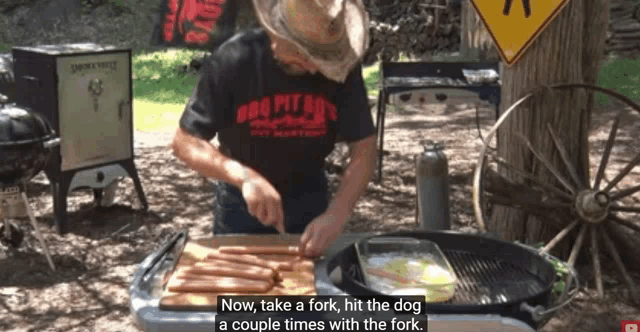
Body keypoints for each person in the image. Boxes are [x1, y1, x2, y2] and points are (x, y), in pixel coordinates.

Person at [171, 0, 376, 257]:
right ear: (277, 33)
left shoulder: (338, 64)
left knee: (305, 291)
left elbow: (364, 150)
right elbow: (185, 142)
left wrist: (337, 214)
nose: (316, 66)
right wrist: (244, 176)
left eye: (320, 56)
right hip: (241, 203)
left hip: (311, 197)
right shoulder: (235, 59)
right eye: (304, 54)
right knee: (238, 296)